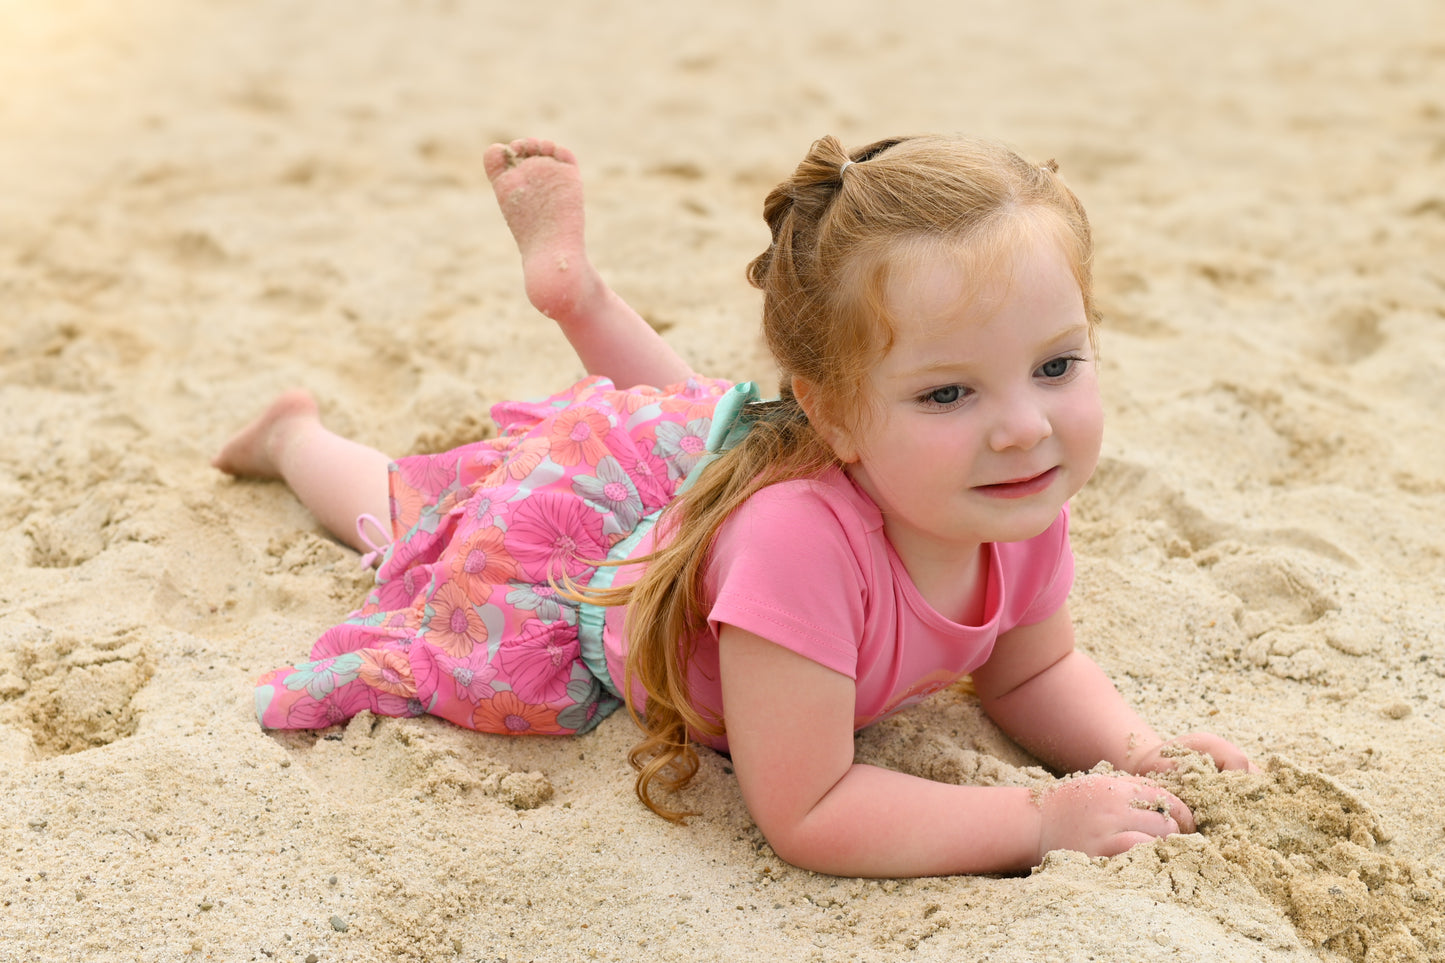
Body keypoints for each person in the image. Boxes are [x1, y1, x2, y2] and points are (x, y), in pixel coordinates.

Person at [216, 135, 1255, 878]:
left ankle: (582, 301)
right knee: (428, 519)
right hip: (586, 581)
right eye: (949, 392)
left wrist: (1131, 751)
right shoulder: (796, 546)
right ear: (839, 418)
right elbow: (808, 808)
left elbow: (1032, 669)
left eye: (1055, 365)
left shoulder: (1006, 492)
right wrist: (1032, 820)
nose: (1024, 426)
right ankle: (295, 438)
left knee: (715, 423)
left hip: (735, 469)